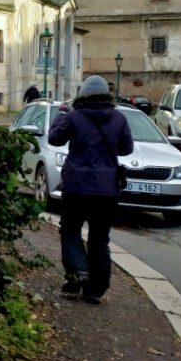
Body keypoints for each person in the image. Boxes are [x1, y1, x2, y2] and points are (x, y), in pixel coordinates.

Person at [48, 75, 134, 304]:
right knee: (99, 237)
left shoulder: (74, 117)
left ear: (81, 95)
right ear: (107, 94)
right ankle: (96, 287)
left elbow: (55, 139)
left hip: (76, 185)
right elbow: (126, 149)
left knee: (71, 230)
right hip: (107, 189)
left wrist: (62, 114)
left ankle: (78, 273)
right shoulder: (119, 118)